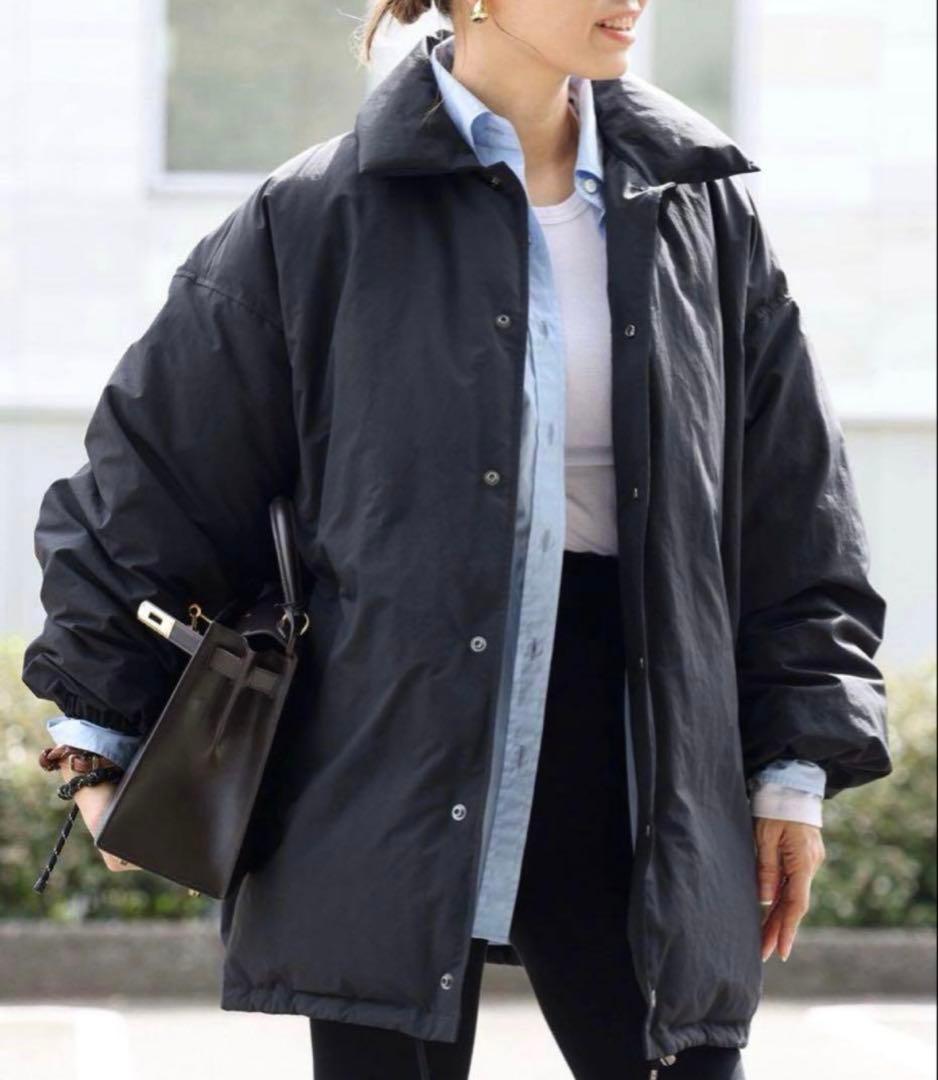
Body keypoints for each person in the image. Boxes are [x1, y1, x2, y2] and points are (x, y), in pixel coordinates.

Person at [24, 1, 892, 1077]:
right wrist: (101, 725)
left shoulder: (697, 209)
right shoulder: (317, 214)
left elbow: (794, 506)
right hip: (380, 744)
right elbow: (155, 474)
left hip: (634, 752)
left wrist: (793, 766)